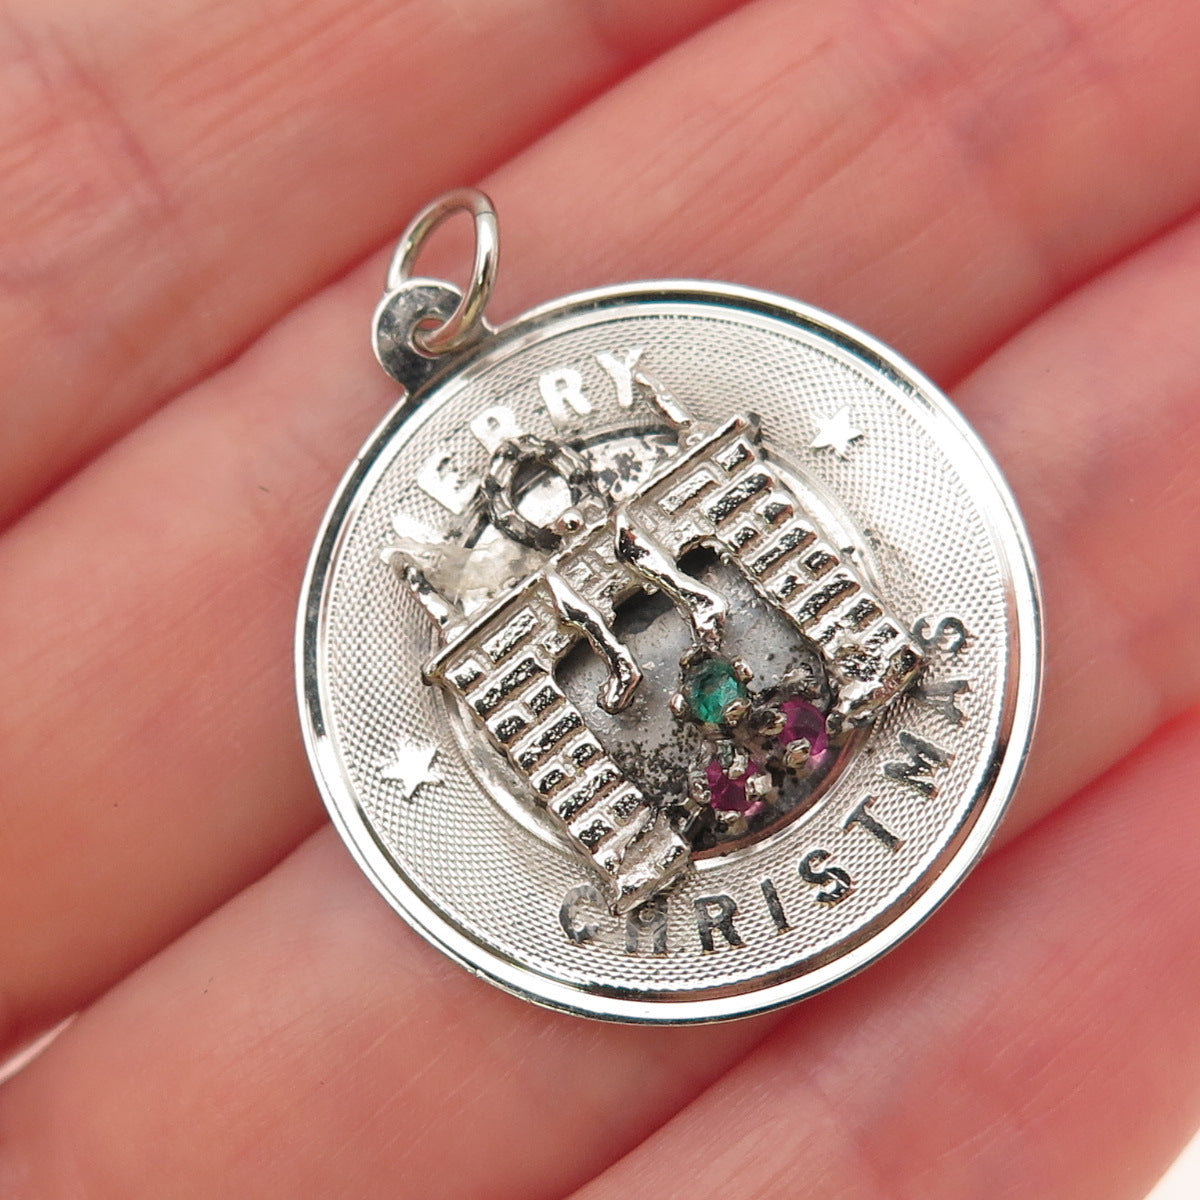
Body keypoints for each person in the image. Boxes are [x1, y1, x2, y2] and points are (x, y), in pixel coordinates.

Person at [1, 0, 1198, 1194]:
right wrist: (633, 661)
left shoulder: (643, 524)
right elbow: (597, 628)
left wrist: (686, 624)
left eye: (554, 496)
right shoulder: (547, 588)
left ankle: (864, 664)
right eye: (534, 505)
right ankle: (672, 815)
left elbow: (668, 583)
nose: (550, 506)